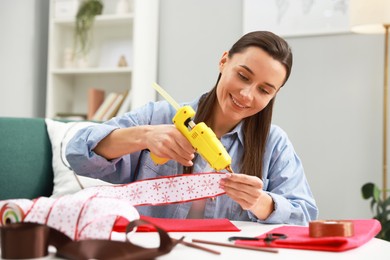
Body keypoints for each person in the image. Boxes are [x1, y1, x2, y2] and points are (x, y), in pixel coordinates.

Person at [66, 31, 318, 225]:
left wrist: (262, 203)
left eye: (264, 90)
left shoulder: (273, 144)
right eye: (243, 76)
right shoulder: (160, 116)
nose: (246, 94)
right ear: (223, 61)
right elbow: (77, 155)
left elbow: (305, 215)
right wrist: (144, 136)